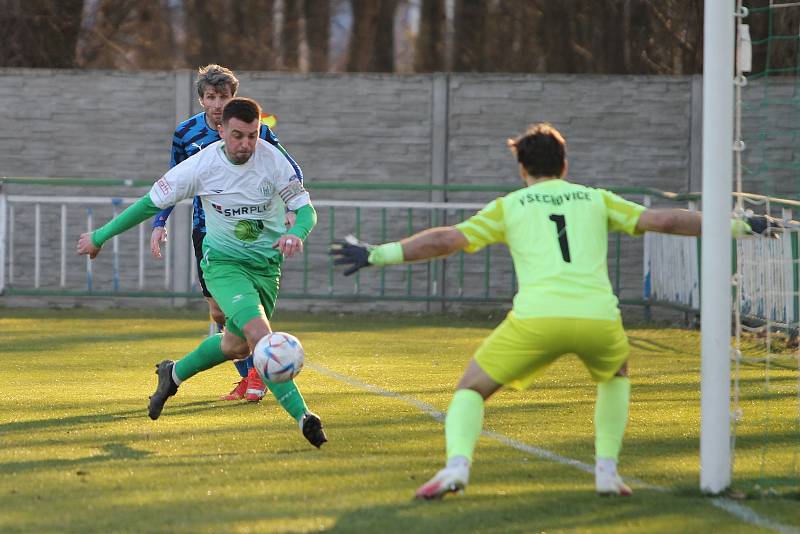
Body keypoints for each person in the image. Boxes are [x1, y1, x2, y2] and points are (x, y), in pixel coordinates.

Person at [331, 123, 769, 498]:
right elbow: (665, 221)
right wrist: (738, 225)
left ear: (522, 169)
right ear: (565, 164)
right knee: (615, 375)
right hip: (599, 319)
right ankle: (607, 472)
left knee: (471, 388)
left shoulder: (510, 205)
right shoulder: (595, 199)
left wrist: (378, 254)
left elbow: (447, 239)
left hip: (536, 320)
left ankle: (458, 466)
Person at [78, 97, 327, 449]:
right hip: (223, 264)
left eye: (253, 136)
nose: (245, 144)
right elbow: (150, 202)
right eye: (237, 135)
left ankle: (173, 373)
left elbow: (306, 211)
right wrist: (99, 237)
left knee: (236, 345)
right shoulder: (200, 166)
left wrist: (295, 233)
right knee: (260, 336)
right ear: (221, 130)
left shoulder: (274, 161)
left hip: (266, 267)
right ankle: (305, 418)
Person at [151, 64, 304, 403]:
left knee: (241, 312)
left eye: (224, 96)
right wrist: (159, 223)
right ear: (201, 99)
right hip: (206, 233)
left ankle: (254, 374)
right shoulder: (185, 133)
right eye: (211, 97)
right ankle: (249, 369)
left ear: (233, 97)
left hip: (249, 233)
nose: (218, 104)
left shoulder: (252, 130)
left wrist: (293, 208)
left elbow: (291, 170)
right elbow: (171, 182)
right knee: (219, 313)